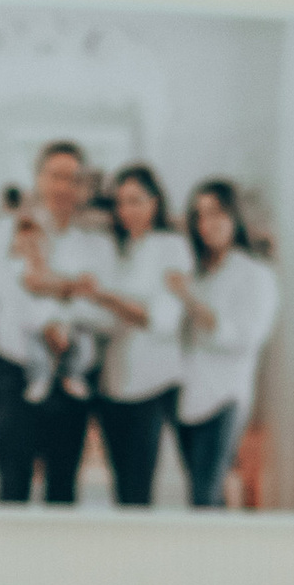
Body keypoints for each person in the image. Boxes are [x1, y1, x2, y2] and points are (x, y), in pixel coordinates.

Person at [0, 141, 113, 503]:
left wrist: (62, 313)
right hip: (15, 372)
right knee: (12, 483)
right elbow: (2, 288)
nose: (63, 187)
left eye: (73, 179)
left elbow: (104, 310)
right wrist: (50, 317)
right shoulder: (9, 231)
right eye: (55, 176)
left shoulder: (96, 246)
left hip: (72, 378)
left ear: (85, 188)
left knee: (63, 486)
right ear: (38, 179)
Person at [84, 165, 193, 508]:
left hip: (153, 382)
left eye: (135, 201)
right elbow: (102, 320)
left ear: (155, 203)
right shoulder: (118, 249)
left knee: (141, 486)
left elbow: (164, 318)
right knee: (122, 487)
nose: (126, 211)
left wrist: (106, 298)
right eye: (120, 203)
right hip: (112, 383)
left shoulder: (172, 247)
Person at [172, 178, 282, 509]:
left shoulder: (255, 275)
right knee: (203, 494)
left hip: (225, 397)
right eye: (200, 216)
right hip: (187, 396)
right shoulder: (198, 272)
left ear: (235, 216)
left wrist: (189, 300)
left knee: (205, 494)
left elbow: (246, 338)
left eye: (217, 213)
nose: (208, 224)